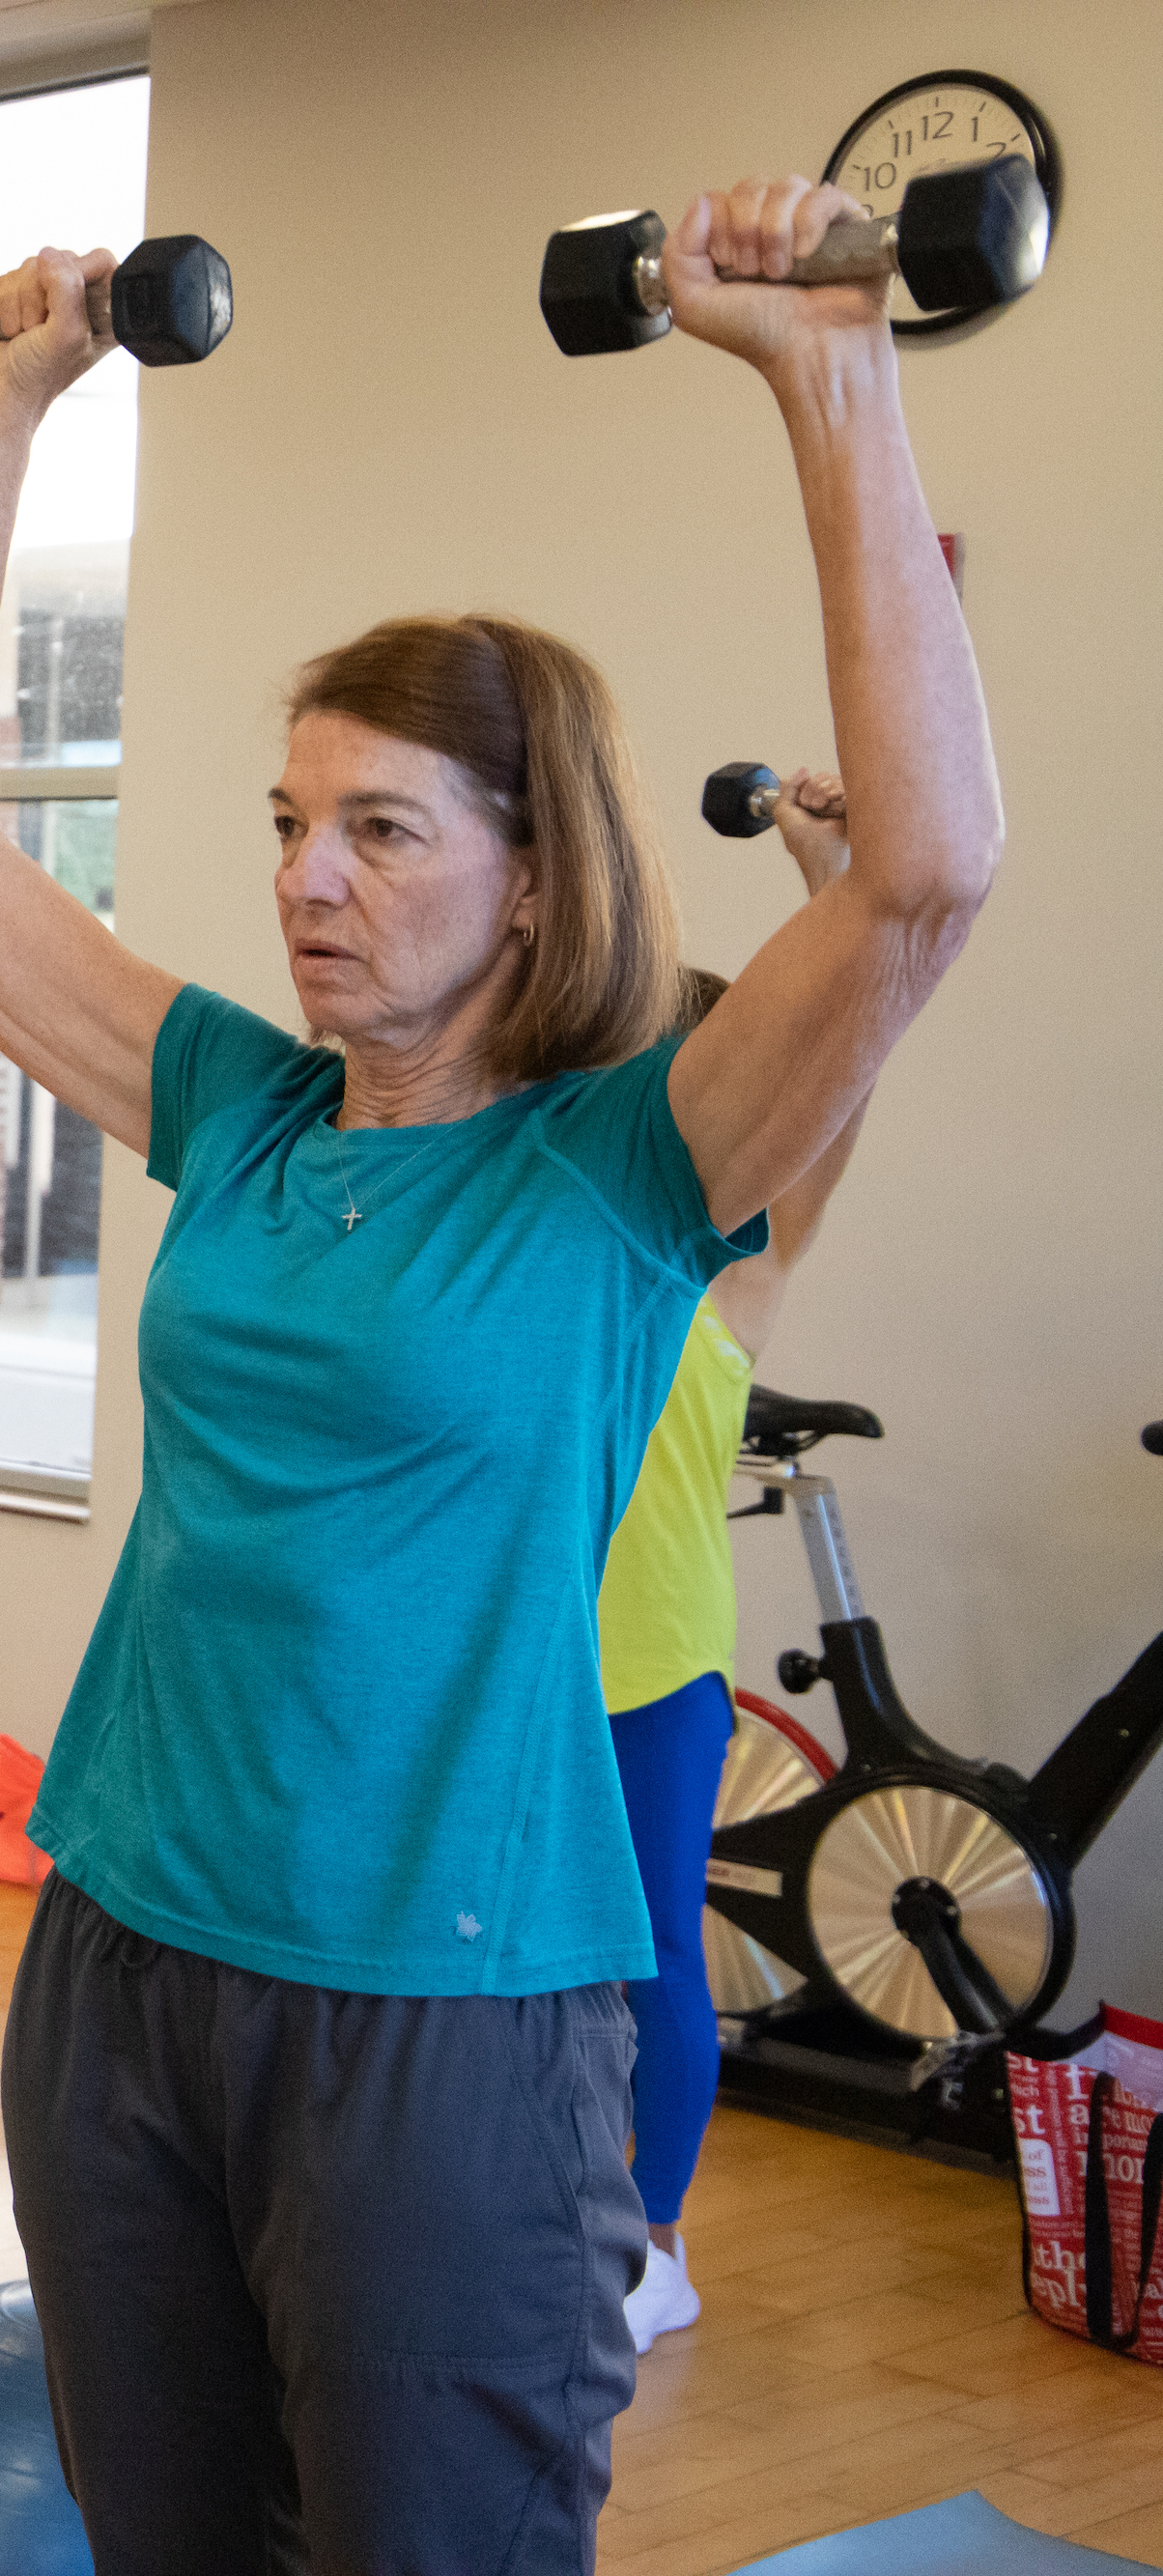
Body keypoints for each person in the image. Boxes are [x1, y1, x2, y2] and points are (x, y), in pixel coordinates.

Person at [0, 177, 998, 2567]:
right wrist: (4, 410)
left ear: (535, 878)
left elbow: (917, 881)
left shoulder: (620, 1175)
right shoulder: (238, 1113)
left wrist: (824, 377)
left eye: (379, 832)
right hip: (120, 1960)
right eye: (289, 827)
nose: (303, 884)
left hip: (445, 2025)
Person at [604, 772, 869, 2357]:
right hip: (508, 1657)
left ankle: (650, 2243)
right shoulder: (566, 1237)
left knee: (647, 1959)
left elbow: (843, 1067)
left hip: (650, 1672)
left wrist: (832, 891)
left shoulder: (736, 1274)